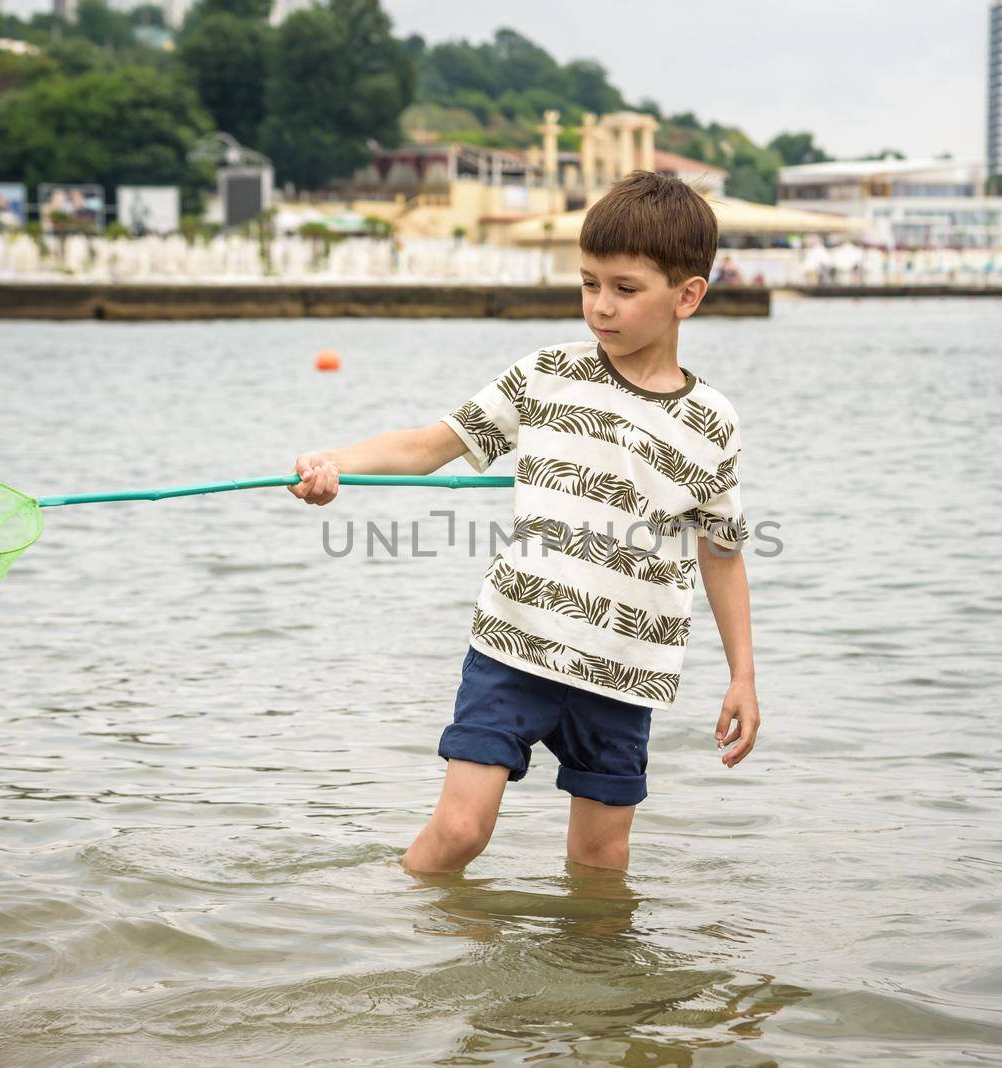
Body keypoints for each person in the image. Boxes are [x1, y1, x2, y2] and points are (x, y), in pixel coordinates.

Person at [287, 171, 761, 875]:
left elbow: (722, 553)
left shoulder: (711, 422)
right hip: (515, 646)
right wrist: (332, 465)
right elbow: (429, 445)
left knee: (601, 863)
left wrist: (743, 676)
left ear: (686, 296)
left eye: (624, 290)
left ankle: (593, 984)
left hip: (624, 673)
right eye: (588, 283)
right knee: (460, 832)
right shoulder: (545, 375)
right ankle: (386, 935)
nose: (600, 306)